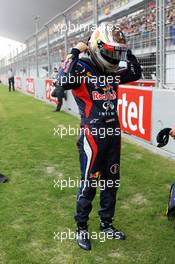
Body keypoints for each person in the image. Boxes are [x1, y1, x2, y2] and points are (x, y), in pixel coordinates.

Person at [56, 22, 142, 250]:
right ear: (97, 47)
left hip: (113, 135)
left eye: (117, 53)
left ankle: (106, 224)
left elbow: (136, 71)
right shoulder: (82, 69)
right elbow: (62, 80)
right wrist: (75, 51)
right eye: (112, 52)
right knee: (89, 184)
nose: (115, 57)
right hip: (92, 138)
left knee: (111, 182)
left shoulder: (112, 73)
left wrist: (126, 49)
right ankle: (81, 228)